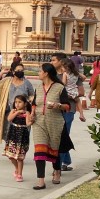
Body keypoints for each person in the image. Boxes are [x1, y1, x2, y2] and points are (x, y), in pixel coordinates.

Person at [31, 62, 71, 190]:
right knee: (39, 150)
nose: (38, 73)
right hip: (38, 122)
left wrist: (57, 105)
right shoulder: (38, 87)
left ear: (46, 73)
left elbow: (67, 106)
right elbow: (34, 103)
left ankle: (57, 170)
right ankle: (41, 181)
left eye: (40, 71)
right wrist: (32, 113)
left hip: (55, 123)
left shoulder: (59, 87)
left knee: (55, 148)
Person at [51, 52, 84, 171]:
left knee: (62, 135)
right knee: (58, 136)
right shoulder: (51, 75)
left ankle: (58, 165)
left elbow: (81, 92)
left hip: (69, 109)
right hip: (55, 109)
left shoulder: (72, 75)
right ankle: (66, 160)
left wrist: (69, 95)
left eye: (53, 60)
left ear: (61, 62)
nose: (51, 62)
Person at [0, 62, 36, 146]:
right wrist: (1, 73)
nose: (20, 72)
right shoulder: (7, 81)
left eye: (22, 70)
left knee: (20, 136)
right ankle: (10, 150)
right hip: (9, 113)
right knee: (8, 134)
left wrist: (30, 104)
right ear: (13, 71)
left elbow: (32, 96)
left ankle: (17, 151)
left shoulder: (27, 83)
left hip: (22, 114)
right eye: (18, 70)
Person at [3, 94, 33, 182]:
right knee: (10, 156)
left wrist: (32, 121)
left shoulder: (27, 113)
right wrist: (17, 112)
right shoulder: (13, 111)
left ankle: (19, 174)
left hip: (22, 137)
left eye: (20, 102)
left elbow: (27, 124)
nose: (17, 104)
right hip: (12, 136)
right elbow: (9, 119)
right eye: (16, 102)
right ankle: (16, 168)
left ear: (25, 104)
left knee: (20, 157)